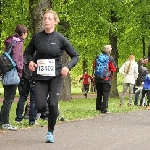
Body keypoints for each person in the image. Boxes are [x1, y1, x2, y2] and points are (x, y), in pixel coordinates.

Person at [24, 10, 79, 143]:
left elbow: (75, 56)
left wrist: (67, 67)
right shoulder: (37, 37)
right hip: (40, 77)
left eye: (49, 18)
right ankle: (54, 113)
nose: (46, 21)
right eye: (45, 18)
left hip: (56, 76)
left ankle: (50, 132)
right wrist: (30, 62)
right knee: (40, 106)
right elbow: (27, 53)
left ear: (55, 21)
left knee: (53, 104)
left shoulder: (60, 38)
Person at [0, 24, 28, 131]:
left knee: (7, 98)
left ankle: (2, 121)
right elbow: (17, 58)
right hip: (12, 72)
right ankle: (5, 123)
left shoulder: (11, 40)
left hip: (6, 71)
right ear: (23, 33)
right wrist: (20, 70)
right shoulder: (19, 42)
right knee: (9, 99)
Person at [15, 53, 37, 125]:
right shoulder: (38, 54)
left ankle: (18, 118)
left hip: (24, 78)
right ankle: (32, 121)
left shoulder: (23, 55)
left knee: (22, 98)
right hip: (33, 78)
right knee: (33, 99)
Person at [95, 45, 117, 113]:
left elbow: (94, 65)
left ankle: (98, 107)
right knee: (106, 93)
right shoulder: (110, 58)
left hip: (98, 78)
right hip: (106, 78)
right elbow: (114, 68)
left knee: (99, 93)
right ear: (109, 51)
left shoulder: (98, 56)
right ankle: (104, 109)